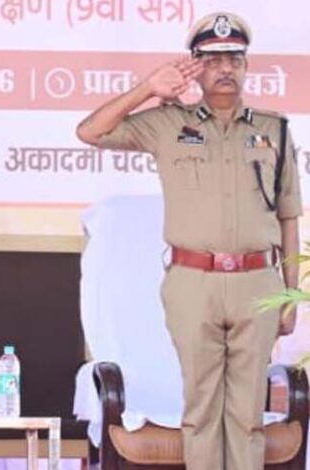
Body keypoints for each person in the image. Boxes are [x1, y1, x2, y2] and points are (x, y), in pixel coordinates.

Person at [76, 12, 301, 469]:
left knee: (248, 417)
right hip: (192, 282)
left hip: (258, 283)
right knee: (200, 412)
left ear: (246, 66)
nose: (225, 69)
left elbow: (289, 217)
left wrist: (291, 294)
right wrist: (147, 88)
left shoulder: (274, 129)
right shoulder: (167, 123)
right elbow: (90, 131)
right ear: (195, 67)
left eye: (234, 60)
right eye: (213, 61)